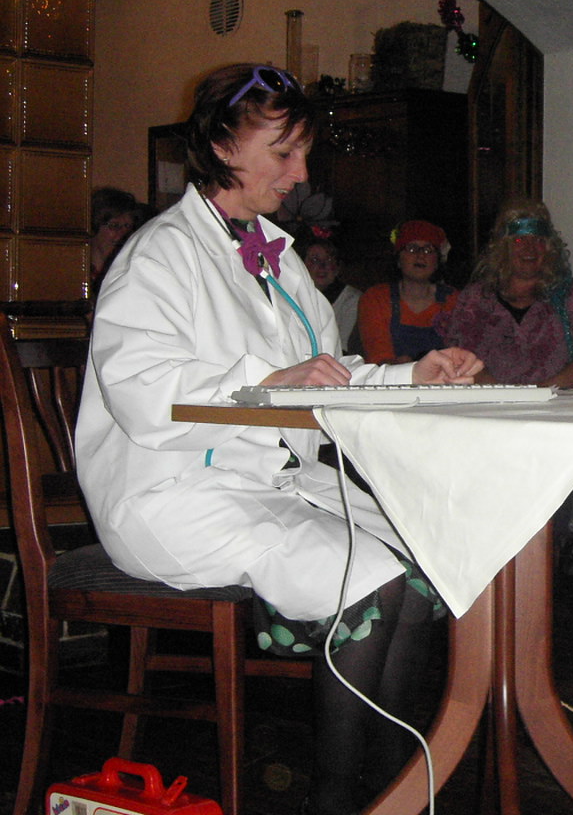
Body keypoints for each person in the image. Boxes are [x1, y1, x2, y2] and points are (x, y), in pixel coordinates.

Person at [76, 63, 483, 815]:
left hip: (264, 483)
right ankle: (336, 800)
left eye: (303, 154)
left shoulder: (276, 255)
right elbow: (142, 394)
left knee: (424, 563)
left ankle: (392, 789)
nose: (300, 175)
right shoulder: (159, 253)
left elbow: (324, 373)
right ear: (222, 145)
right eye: (284, 153)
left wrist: (411, 372)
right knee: (367, 581)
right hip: (170, 490)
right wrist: (271, 380)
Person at [442, 199, 573, 549]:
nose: (530, 248)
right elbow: (458, 356)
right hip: (493, 421)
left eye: (538, 239)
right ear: (502, 246)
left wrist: (542, 391)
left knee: (554, 528)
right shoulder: (475, 299)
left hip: (559, 421)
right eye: (519, 239)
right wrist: (505, 397)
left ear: (550, 247)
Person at [356, 220, 457, 364]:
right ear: (398, 259)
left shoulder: (454, 300)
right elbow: (379, 360)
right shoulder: (375, 299)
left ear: (437, 261)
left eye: (428, 250)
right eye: (411, 248)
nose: (420, 255)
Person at [302, 236, 362, 354]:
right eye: (314, 260)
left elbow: (342, 350)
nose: (322, 266)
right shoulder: (294, 297)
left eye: (329, 260)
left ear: (337, 266)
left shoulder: (352, 300)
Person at [90, 187, 140, 293]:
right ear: (94, 226)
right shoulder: (78, 273)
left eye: (127, 226)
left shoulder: (131, 272)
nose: (123, 234)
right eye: (114, 226)